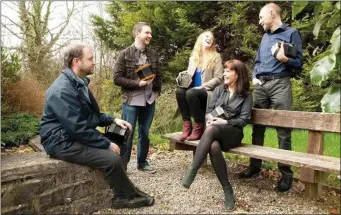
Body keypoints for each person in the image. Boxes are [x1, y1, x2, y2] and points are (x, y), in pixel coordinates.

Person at [40, 44, 155, 209]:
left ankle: (119, 186)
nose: (94, 62)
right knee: (112, 158)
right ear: (76, 62)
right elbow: (77, 128)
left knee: (123, 131)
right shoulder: (63, 90)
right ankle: (124, 197)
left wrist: (113, 120)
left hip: (72, 135)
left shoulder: (79, 82)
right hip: (61, 142)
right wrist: (106, 144)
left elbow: (91, 116)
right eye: (91, 59)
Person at [238, 3, 303, 193]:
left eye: (261, 17)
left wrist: (284, 60)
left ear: (272, 14)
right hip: (261, 86)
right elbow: (258, 61)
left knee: (283, 130)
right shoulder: (265, 37)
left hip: (280, 84)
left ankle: (285, 174)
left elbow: (299, 62)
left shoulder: (292, 33)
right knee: (257, 127)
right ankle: (255, 166)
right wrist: (253, 76)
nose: (259, 22)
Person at [181, 60, 252, 211]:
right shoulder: (219, 90)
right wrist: (212, 118)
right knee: (213, 146)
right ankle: (227, 190)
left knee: (212, 130)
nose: (224, 74)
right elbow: (208, 112)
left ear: (237, 74)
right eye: (224, 70)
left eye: (228, 71)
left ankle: (192, 170)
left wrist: (225, 122)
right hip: (215, 130)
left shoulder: (246, 95)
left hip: (233, 133)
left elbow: (244, 120)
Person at [113, 22, 162, 174]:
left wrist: (156, 90)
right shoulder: (125, 54)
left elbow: (159, 75)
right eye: (147, 33)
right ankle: (122, 165)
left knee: (145, 133)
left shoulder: (153, 54)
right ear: (137, 34)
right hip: (131, 100)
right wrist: (137, 83)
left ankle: (142, 163)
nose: (150, 36)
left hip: (149, 100)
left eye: (151, 33)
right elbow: (116, 78)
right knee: (126, 133)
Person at [175, 31, 223, 141]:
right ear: (200, 40)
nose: (209, 38)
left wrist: (203, 86)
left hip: (207, 91)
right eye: (206, 36)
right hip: (192, 90)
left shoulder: (216, 57)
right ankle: (187, 125)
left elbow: (219, 77)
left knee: (190, 93)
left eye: (211, 37)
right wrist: (182, 77)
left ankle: (198, 126)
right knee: (180, 92)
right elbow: (189, 75)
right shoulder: (194, 57)